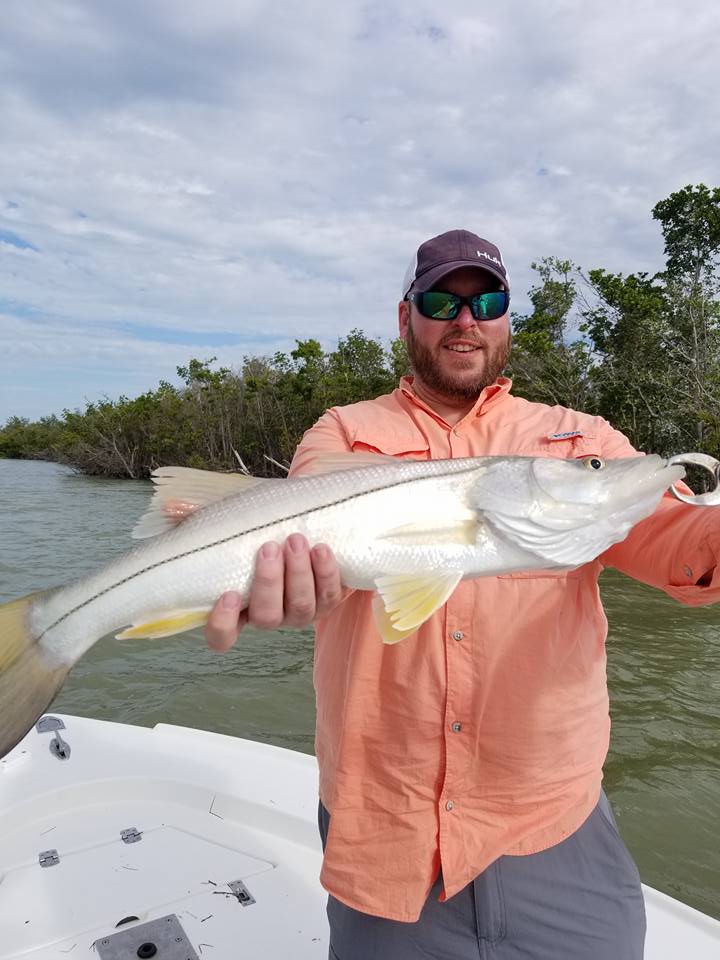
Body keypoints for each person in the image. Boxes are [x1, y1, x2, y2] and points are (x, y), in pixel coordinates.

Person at [205, 230, 720, 959]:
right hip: (387, 833)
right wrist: (293, 589)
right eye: (442, 300)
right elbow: (308, 545)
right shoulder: (343, 432)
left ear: (509, 317)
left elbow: (681, 539)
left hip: (551, 824)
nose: (466, 319)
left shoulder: (579, 441)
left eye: (488, 301)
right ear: (406, 316)